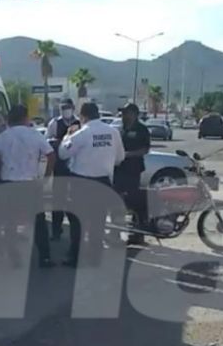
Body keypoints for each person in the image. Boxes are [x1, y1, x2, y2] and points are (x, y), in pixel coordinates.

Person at [0, 105, 56, 268]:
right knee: (38, 223)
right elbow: (51, 155)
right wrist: (45, 177)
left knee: (10, 223)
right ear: (26, 118)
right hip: (30, 184)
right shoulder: (35, 135)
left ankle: (13, 256)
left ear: (9, 119)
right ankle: (44, 258)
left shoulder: (3, 137)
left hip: (8, 183)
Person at [58, 102, 126, 267]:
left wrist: (67, 135)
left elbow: (62, 153)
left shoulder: (82, 133)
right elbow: (120, 158)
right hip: (103, 182)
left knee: (76, 221)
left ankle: (75, 257)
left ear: (83, 116)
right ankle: (95, 257)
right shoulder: (113, 132)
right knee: (98, 221)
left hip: (81, 183)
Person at [45, 99, 82, 241]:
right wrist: (57, 141)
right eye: (63, 108)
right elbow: (47, 141)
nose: (65, 110)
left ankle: (76, 231)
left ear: (73, 108)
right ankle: (56, 230)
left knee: (75, 201)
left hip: (76, 167)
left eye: (67, 107)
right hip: (60, 166)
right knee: (57, 200)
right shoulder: (54, 123)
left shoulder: (79, 123)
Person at [115, 103, 151, 246]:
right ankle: (115, 234)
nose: (123, 116)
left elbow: (145, 149)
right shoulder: (120, 129)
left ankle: (138, 234)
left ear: (135, 114)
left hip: (133, 171)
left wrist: (128, 155)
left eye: (126, 113)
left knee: (134, 202)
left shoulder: (142, 130)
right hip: (119, 171)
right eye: (123, 113)